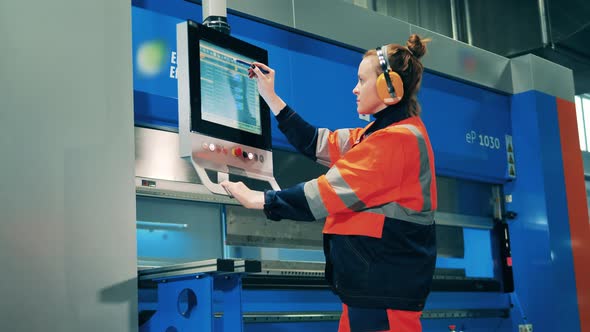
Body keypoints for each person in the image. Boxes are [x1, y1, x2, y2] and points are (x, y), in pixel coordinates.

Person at [221, 34, 437, 332]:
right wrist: (270, 96)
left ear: (389, 88)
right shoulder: (374, 136)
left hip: (382, 293)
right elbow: (317, 142)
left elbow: (325, 192)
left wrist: (260, 200)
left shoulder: (395, 142)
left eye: (362, 81)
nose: (355, 89)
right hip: (369, 290)